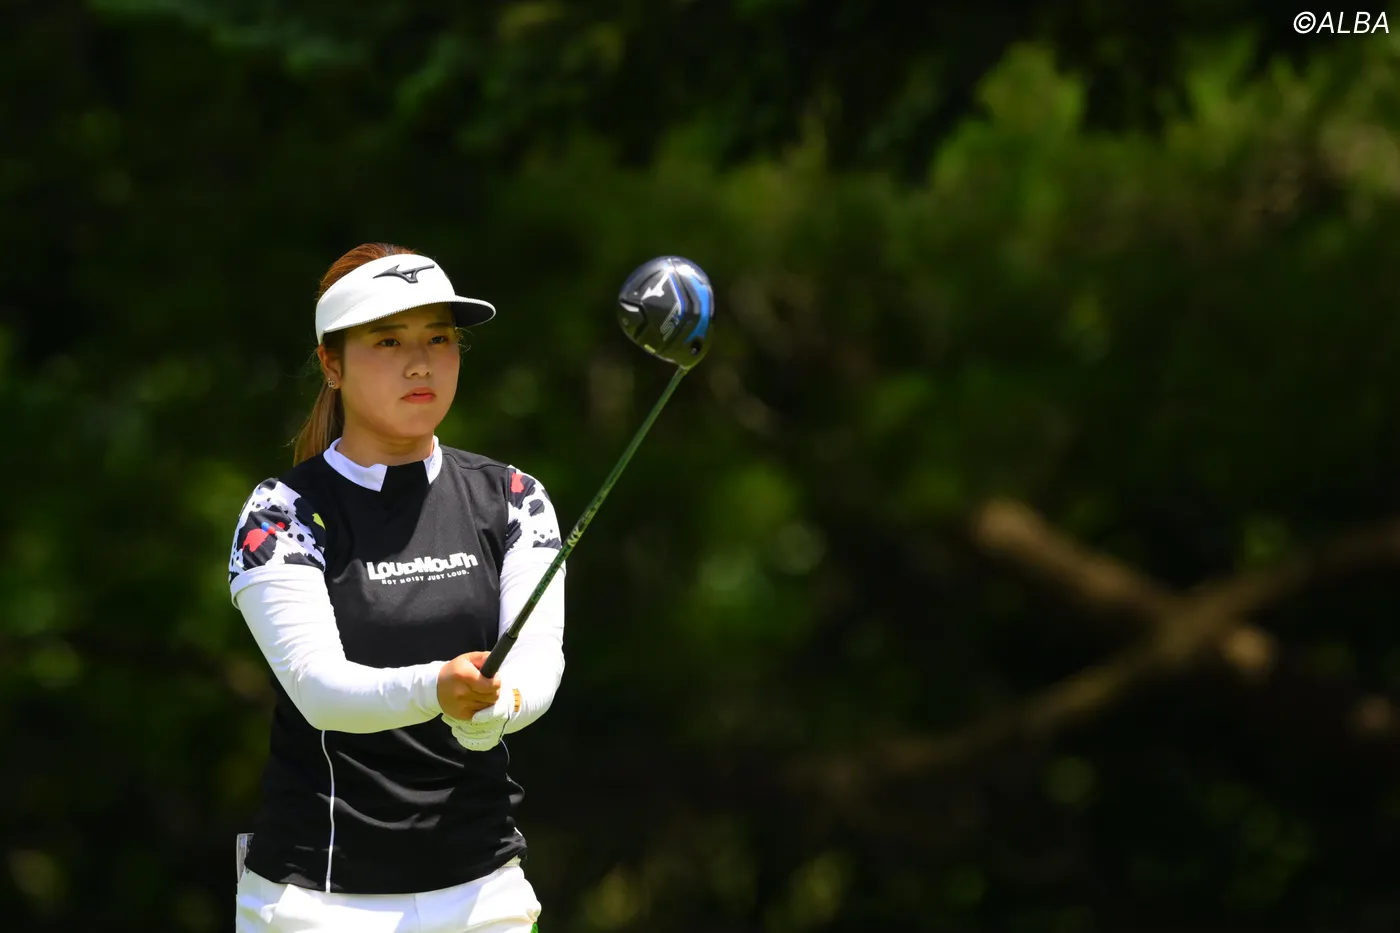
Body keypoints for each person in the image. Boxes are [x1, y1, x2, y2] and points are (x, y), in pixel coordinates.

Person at [229, 242, 565, 933]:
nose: (421, 363)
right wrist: (438, 688)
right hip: (317, 902)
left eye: (439, 338)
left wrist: (498, 707)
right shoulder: (281, 513)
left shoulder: (514, 496)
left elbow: (538, 659)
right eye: (388, 340)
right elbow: (319, 689)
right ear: (331, 364)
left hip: (484, 896)